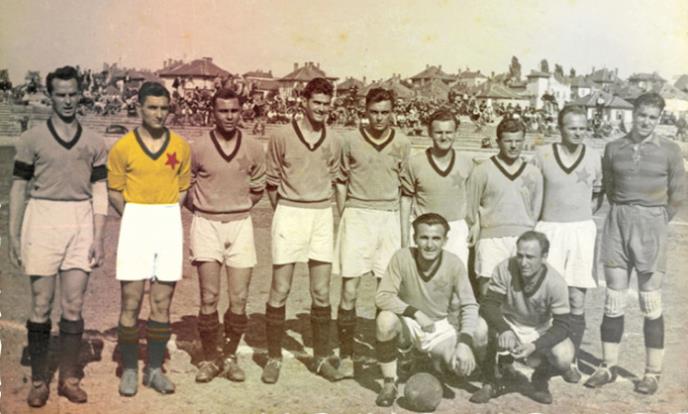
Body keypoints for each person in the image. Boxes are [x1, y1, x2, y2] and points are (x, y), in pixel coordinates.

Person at [9, 66, 108, 408]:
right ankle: (39, 380)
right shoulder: (32, 139)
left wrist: (99, 236)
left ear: (81, 95)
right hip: (43, 218)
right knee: (41, 303)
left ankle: (68, 378)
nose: (67, 101)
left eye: (73, 94)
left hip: (80, 219)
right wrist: (13, 235)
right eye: (60, 94)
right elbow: (19, 188)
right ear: (50, 96)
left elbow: (100, 191)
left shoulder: (94, 141)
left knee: (73, 304)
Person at [585, 92, 685, 395]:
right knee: (613, 298)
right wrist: (626, 212)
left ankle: (652, 372)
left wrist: (655, 219)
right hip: (618, 222)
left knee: (650, 301)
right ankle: (608, 366)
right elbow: (610, 187)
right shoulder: (614, 148)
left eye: (653, 117)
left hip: (651, 224)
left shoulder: (670, 150)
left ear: (659, 119)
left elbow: (678, 195)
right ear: (633, 114)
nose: (646, 122)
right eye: (642, 115)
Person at [108, 81, 191, 397]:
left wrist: (165, 214)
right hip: (135, 220)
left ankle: (154, 369)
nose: (159, 114)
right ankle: (129, 368)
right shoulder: (123, 147)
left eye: (164, 108)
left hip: (168, 219)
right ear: (139, 108)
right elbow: (114, 191)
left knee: (161, 301)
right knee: (131, 301)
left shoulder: (180, 146)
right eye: (152, 107)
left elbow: (183, 189)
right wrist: (135, 217)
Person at [263, 77, 342, 384]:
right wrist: (286, 211)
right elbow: (272, 183)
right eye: (316, 103)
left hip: (321, 214)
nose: (321, 109)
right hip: (289, 212)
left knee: (321, 291)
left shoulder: (334, 140)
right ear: (305, 102)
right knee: (280, 288)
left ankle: (320, 358)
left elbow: (334, 179)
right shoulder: (281, 136)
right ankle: (273, 357)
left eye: (326, 104)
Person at [186, 88, 265, 383]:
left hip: (240, 224)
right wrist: (207, 208)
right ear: (213, 113)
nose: (229, 116)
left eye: (234, 111)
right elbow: (186, 187)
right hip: (206, 224)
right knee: (209, 296)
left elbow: (258, 188)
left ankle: (230, 357)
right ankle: (210, 359)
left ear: (241, 112)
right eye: (223, 111)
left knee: (239, 297)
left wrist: (236, 206)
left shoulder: (253, 147)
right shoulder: (198, 147)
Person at [333, 88, 411, 377]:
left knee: (385, 291)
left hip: (388, 217)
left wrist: (401, 229)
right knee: (349, 289)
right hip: (357, 215)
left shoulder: (402, 143)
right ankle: (346, 356)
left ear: (392, 113)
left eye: (384, 112)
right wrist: (347, 212)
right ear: (365, 112)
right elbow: (340, 181)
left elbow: (405, 188)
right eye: (374, 112)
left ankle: (383, 356)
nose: (379, 118)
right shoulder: (350, 141)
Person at [374, 213, 486, 407]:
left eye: (436, 238)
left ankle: (433, 362)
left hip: (438, 327)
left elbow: (469, 304)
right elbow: (382, 296)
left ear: (445, 241)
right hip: (408, 323)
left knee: (459, 366)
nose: (429, 244)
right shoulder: (402, 257)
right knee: (385, 320)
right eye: (424, 237)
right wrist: (415, 312)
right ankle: (390, 382)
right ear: (415, 238)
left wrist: (464, 343)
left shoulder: (454, 263)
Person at [531, 105, 603, 383]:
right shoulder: (542, 155)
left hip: (581, 231)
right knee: (545, 297)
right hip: (549, 229)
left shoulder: (594, 157)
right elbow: (532, 192)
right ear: (560, 128)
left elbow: (597, 197)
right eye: (572, 127)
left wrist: (578, 217)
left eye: (582, 128)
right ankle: (541, 356)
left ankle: (570, 361)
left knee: (576, 298)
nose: (578, 132)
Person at [470, 231, 574, 405]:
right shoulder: (505, 268)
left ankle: (540, 379)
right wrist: (504, 329)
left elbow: (562, 326)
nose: (523, 262)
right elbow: (489, 304)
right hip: (509, 321)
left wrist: (535, 345)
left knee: (564, 357)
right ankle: (490, 381)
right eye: (520, 255)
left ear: (544, 257)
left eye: (530, 257)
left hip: (539, 327)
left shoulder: (556, 282)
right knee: (478, 330)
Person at [466, 117, 543, 298]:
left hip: (523, 238)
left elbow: (536, 209)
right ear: (498, 142)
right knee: (489, 292)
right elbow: (471, 207)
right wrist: (476, 225)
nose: (513, 146)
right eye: (508, 141)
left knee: (522, 293)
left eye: (518, 141)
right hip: (490, 238)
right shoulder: (482, 170)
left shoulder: (533, 173)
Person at [401, 109, 473, 266]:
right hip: (425, 228)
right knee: (423, 276)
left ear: (456, 133)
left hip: (456, 228)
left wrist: (474, 226)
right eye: (439, 132)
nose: (444, 137)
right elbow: (406, 201)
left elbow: (473, 199)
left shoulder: (467, 163)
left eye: (449, 132)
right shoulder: (415, 163)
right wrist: (405, 236)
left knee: (456, 275)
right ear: (430, 133)